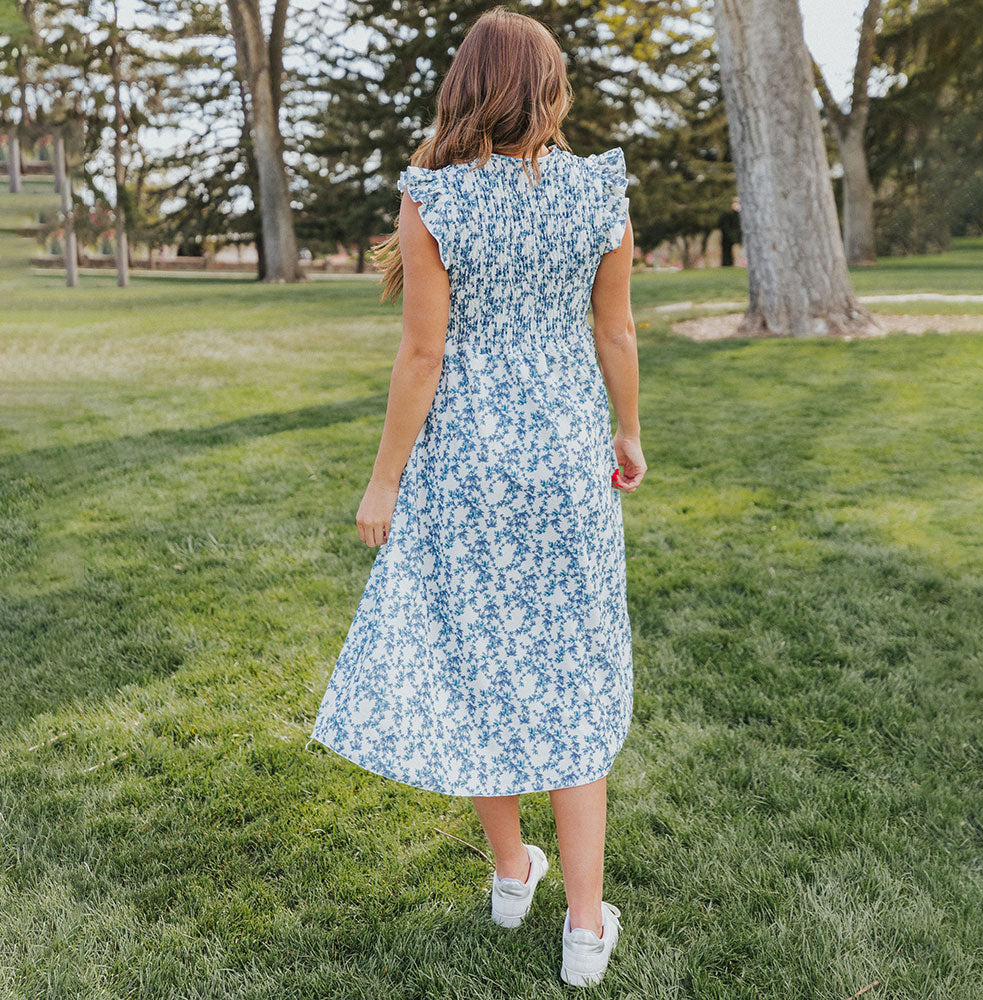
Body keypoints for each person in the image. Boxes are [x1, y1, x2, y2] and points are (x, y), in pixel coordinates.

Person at [307, 6, 646, 988]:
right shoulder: (599, 194)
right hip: (566, 456)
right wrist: (625, 432)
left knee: (478, 664)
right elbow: (615, 335)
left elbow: (423, 354)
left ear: (466, 90)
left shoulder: (435, 201)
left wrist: (384, 479)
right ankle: (583, 927)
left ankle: (511, 871)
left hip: (465, 460)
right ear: (549, 91)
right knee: (571, 676)